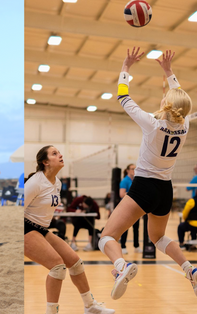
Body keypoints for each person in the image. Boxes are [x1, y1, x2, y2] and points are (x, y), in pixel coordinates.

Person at [98, 47, 197, 300]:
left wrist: (125, 67)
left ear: (166, 102)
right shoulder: (184, 126)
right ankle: (190, 269)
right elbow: (180, 98)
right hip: (165, 189)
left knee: (107, 236)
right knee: (159, 238)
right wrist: (168, 72)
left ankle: (121, 267)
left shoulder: (152, 124)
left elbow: (123, 97)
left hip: (143, 186)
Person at [25, 145, 115, 314]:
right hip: (24, 227)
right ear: (45, 162)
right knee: (57, 267)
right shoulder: (36, 182)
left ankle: (90, 306)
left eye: (59, 152)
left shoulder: (57, 183)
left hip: (41, 229)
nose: (60, 155)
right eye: (54, 153)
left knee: (76, 263)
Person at [119, 164, 142, 255]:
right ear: (128, 170)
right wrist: (133, 195)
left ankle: (136, 246)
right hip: (126, 208)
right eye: (132, 169)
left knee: (136, 228)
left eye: (135, 169)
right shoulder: (125, 180)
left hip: (135, 208)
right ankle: (123, 246)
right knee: (125, 228)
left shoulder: (136, 180)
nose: (134, 170)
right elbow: (121, 194)